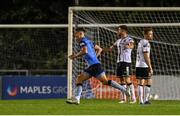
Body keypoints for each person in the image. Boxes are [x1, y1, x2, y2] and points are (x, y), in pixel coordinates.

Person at [66, 27, 130, 105]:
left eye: (76, 34)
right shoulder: (89, 41)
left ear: (80, 33)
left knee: (105, 82)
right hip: (94, 65)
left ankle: (124, 89)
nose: (75, 36)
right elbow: (99, 49)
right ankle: (77, 99)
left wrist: (75, 56)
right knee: (80, 79)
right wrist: (95, 57)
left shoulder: (82, 41)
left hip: (95, 66)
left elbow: (84, 51)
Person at [103, 25, 136, 104]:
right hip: (119, 62)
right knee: (121, 81)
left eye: (119, 30)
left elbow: (132, 46)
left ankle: (133, 98)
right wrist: (101, 49)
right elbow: (111, 48)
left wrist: (129, 46)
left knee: (127, 80)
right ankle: (123, 99)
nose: (118, 31)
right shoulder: (118, 41)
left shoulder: (129, 39)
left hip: (126, 62)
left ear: (124, 31)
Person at [136, 27, 153, 104]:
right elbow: (146, 55)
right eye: (149, 34)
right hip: (144, 65)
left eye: (151, 34)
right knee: (148, 81)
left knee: (141, 82)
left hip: (138, 64)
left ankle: (141, 101)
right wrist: (150, 67)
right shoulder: (146, 43)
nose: (151, 36)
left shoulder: (140, 42)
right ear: (145, 35)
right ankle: (145, 100)